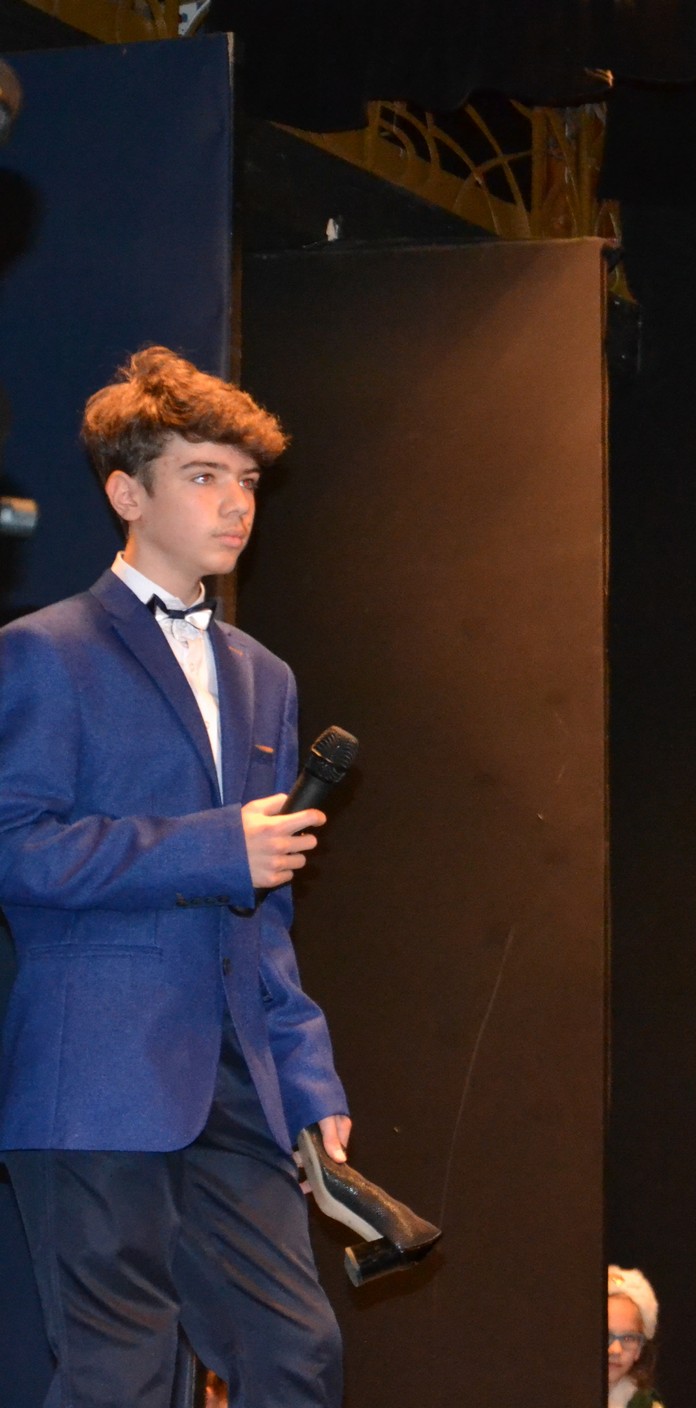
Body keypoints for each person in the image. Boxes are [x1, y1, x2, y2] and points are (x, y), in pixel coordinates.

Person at [0, 348, 348, 1405]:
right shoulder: (43, 651)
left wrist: (308, 1079)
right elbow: (18, 847)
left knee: (295, 1353)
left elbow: (266, 907)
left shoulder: (265, 676)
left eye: (246, 480)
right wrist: (211, 845)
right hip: (96, 1075)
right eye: (203, 476)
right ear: (127, 493)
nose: (236, 503)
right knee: (123, 1374)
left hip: (235, 1079)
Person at [608, 1265, 660, 1408]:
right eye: (606, 1336)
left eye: (628, 1338)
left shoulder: (646, 1404)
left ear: (639, 1349)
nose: (615, 1350)